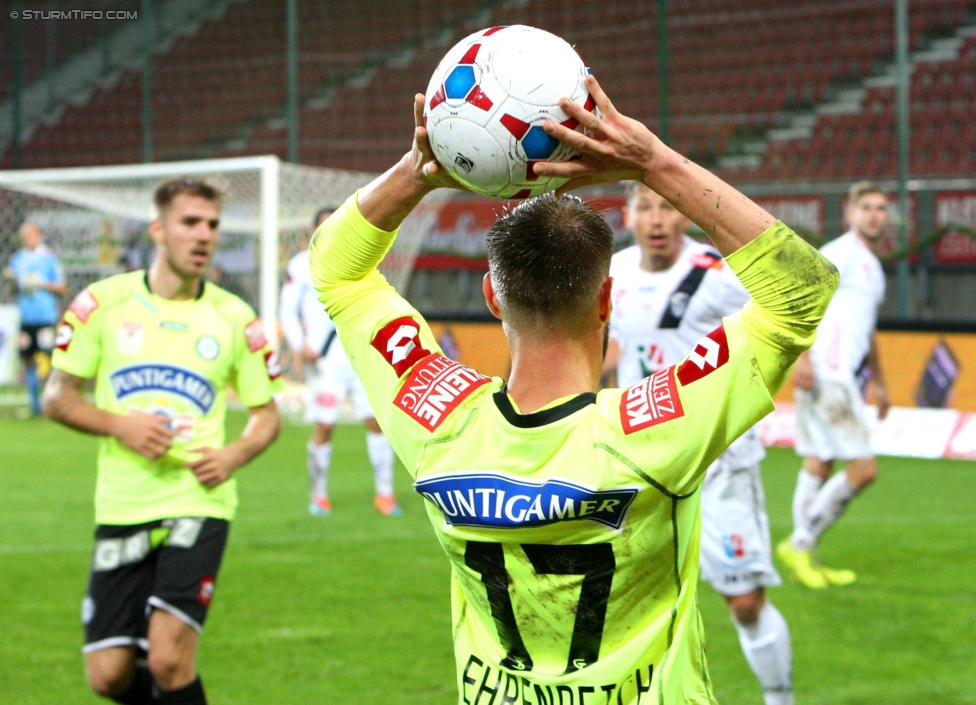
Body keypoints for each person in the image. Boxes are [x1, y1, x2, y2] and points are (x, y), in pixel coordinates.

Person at [309, 75, 837, 703]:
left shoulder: (437, 419)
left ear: (491, 299)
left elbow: (335, 269)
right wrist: (652, 163)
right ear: (608, 298)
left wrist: (420, 171)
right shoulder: (657, 431)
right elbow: (801, 289)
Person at [43, 178, 283, 705]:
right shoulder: (100, 304)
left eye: (213, 225)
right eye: (190, 223)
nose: (204, 236)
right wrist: (120, 425)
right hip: (123, 501)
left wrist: (233, 454)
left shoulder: (234, 319)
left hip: (199, 502)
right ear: (158, 228)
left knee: (170, 658)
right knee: (108, 675)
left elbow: (267, 414)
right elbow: (57, 397)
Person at [604, 183, 793, 705]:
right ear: (629, 214)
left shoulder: (717, 273)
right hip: (643, 461)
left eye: (667, 206)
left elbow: (784, 312)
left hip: (719, 463)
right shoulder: (614, 272)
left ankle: (780, 697)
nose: (657, 220)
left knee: (746, 601)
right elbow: (615, 346)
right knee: (629, 605)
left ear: (684, 213)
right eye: (646, 208)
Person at [777, 180, 890, 590]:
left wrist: (882, 383)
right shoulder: (840, 252)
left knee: (819, 462)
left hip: (843, 376)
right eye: (868, 207)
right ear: (851, 212)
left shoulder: (873, 268)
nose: (875, 214)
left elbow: (868, 330)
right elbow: (801, 297)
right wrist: (803, 356)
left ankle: (805, 559)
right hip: (828, 372)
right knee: (863, 469)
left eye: (881, 208)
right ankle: (801, 542)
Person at [279, 208, 401, 517]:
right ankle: (318, 495)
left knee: (377, 424)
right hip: (324, 363)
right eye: (324, 227)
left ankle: (385, 495)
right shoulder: (300, 266)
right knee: (325, 425)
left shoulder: (362, 262)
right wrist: (299, 344)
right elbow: (287, 311)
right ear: (314, 232)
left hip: (361, 357)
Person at [8, 221, 66, 415]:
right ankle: (34, 405)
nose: (28, 239)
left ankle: (52, 403)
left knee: (50, 359)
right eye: (24, 236)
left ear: (39, 235)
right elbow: (12, 287)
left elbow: (62, 287)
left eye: (31, 235)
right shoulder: (17, 260)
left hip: (45, 317)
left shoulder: (49, 258)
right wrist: (12, 282)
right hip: (27, 319)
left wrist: (42, 284)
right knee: (28, 359)